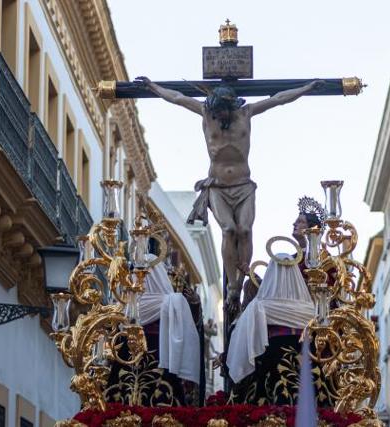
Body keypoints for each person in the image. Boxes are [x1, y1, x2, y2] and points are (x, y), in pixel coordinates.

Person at [135, 76, 325, 318]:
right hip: (217, 186)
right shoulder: (206, 113)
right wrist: (153, 87)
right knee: (229, 230)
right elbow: (178, 98)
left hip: (244, 186)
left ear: (231, 106)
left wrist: (306, 88)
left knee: (244, 229)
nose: (220, 117)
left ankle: (241, 278)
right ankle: (232, 287)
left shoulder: (246, 113)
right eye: (217, 113)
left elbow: (278, 99)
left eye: (224, 112)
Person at [225, 254, 334, 406]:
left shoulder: (259, 306)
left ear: (270, 273)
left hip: (273, 362)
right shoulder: (311, 308)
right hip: (308, 361)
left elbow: (243, 341)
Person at [105, 256, 201, 406]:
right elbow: (187, 334)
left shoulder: (127, 304)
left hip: (133, 362)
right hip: (154, 362)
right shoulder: (171, 301)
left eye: (141, 272)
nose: (137, 276)